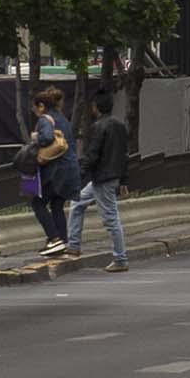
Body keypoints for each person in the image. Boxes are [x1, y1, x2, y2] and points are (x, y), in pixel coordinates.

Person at [67, 87, 131, 271]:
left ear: (96, 107)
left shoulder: (98, 127)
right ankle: (73, 245)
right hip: (111, 177)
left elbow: (92, 155)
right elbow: (124, 155)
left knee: (111, 219)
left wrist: (79, 175)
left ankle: (120, 259)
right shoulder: (120, 126)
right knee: (77, 203)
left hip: (102, 179)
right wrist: (124, 179)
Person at [27, 86, 75, 255]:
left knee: (37, 203)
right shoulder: (62, 118)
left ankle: (54, 239)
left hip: (54, 171)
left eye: (34, 107)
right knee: (57, 205)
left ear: (41, 106)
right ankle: (62, 241)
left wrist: (35, 137)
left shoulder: (44, 120)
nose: (33, 111)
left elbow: (47, 137)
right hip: (68, 170)